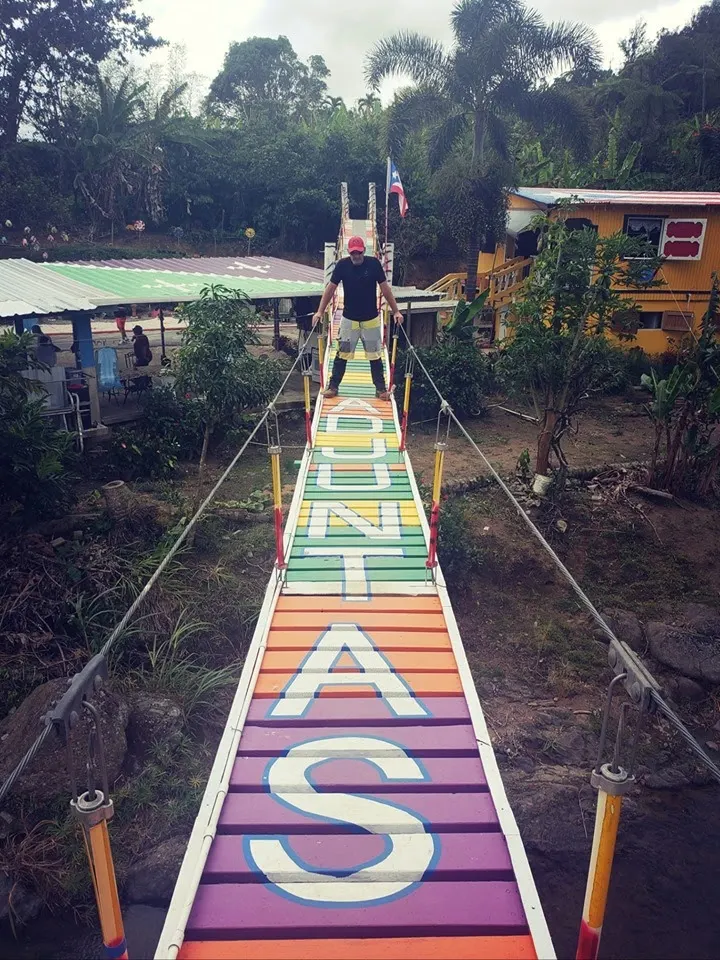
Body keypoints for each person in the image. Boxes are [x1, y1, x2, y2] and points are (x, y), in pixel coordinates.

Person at [312, 236, 403, 400]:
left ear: (364, 251)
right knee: (342, 354)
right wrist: (320, 311)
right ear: (349, 252)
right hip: (349, 321)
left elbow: (385, 289)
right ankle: (333, 387)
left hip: (371, 321)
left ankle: (381, 390)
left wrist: (396, 311)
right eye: (353, 253)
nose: (356, 256)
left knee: (375, 356)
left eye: (359, 253)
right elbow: (330, 289)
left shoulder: (374, 264)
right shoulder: (342, 266)